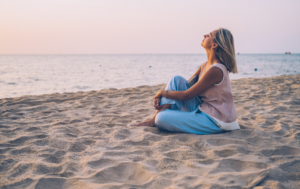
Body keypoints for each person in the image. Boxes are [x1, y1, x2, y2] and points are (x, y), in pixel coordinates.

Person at [132, 28, 240, 134]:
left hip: (217, 120)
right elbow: (184, 87)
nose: (204, 35)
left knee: (161, 118)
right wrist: (163, 97)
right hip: (203, 108)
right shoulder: (204, 65)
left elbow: (186, 96)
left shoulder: (216, 70)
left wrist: (160, 93)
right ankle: (152, 120)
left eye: (209, 35)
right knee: (176, 80)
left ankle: (157, 119)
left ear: (214, 45)